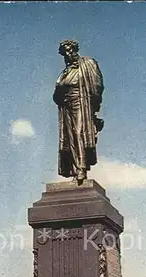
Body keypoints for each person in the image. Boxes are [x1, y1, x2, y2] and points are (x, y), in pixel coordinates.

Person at [53, 39, 104, 184]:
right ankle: (76, 169)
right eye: (65, 53)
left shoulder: (88, 63)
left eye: (70, 50)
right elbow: (56, 94)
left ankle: (81, 168)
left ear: (75, 49)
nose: (68, 54)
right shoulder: (65, 72)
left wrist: (93, 109)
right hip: (66, 106)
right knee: (70, 139)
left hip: (81, 102)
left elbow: (97, 85)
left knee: (79, 133)